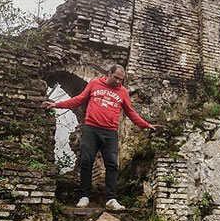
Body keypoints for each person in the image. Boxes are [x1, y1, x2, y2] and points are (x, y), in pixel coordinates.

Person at [42, 64, 159, 211]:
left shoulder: (123, 92)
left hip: (110, 132)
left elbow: (131, 113)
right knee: (86, 161)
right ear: (109, 74)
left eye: (121, 80)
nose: (118, 82)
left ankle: (111, 199)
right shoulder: (95, 83)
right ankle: (84, 196)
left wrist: (146, 125)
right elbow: (79, 99)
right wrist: (56, 105)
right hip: (91, 128)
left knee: (112, 165)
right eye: (116, 78)